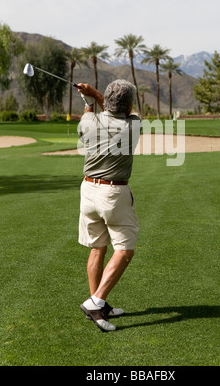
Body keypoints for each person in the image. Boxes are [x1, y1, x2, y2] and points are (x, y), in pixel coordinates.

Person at [77, 79, 141, 332]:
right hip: (113, 194)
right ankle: (96, 302)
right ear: (129, 105)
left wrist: (89, 100)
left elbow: (95, 113)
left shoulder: (88, 122)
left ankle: (98, 306)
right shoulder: (133, 125)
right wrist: (95, 95)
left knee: (97, 249)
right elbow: (116, 110)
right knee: (125, 250)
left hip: (88, 191)